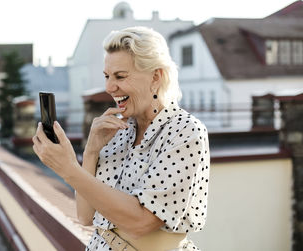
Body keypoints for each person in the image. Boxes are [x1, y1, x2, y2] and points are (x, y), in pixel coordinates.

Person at [32, 26, 210, 251]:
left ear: (156, 77)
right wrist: (91, 152)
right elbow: (85, 216)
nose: (109, 87)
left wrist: (69, 168)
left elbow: (142, 222)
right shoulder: (117, 131)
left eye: (120, 76)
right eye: (107, 76)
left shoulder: (185, 132)